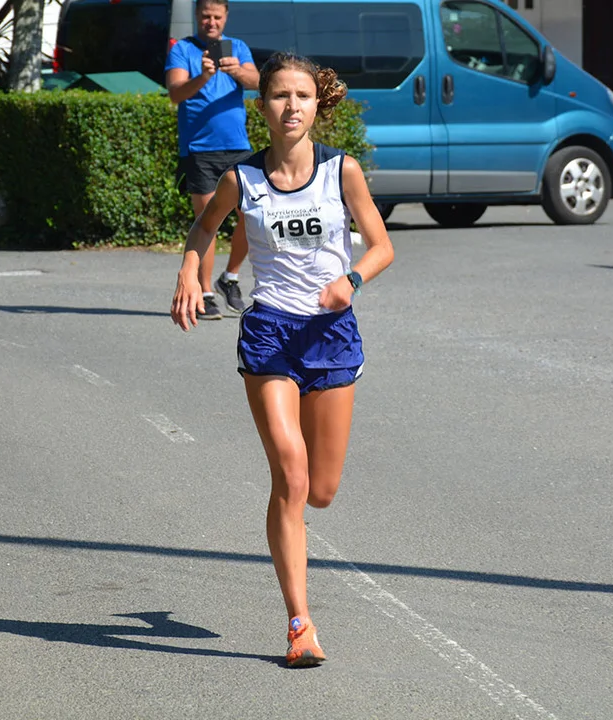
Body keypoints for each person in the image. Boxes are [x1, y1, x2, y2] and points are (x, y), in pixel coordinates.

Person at [170, 52, 395, 667]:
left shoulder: (342, 171)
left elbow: (381, 246)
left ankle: (300, 555)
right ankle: (300, 624)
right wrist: (190, 270)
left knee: (320, 491)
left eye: (301, 95)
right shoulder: (241, 179)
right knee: (290, 474)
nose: (290, 106)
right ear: (262, 105)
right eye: (279, 96)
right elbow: (204, 229)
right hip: (269, 331)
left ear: (317, 104)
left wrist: (351, 279)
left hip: (331, 333)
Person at [165, 0, 259, 319]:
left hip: (238, 147)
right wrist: (204, 76)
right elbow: (175, 93)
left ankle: (229, 278)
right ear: (197, 16)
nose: (211, 22)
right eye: (206, 16)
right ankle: (205, 293)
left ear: (226, 17)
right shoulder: (183, 50)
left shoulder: (238, 48)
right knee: (208, 221)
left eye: (217, 17)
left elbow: (259, 83)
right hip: (200, 150)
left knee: (253, 216)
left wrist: (237, 71)